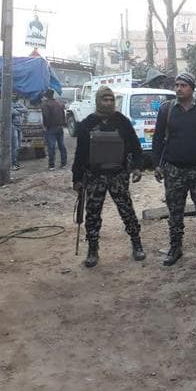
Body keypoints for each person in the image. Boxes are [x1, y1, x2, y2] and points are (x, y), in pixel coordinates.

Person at [152, 72, 196, 266]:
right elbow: (157, 138)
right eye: (177, 85)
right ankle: (175, 248)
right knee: (175, 212)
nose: (178, 88)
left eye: (183, 85)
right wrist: (157, 164)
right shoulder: (166, 109)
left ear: (192, 88)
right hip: (173, 170)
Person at [72, 86, 145, 268]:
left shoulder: (122, 121)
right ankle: (92, 249)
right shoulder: (87, 124)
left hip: (118, 175)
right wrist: (77, 179)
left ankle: (136, 243)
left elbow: (136, 147)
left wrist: (137, 167)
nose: (109, 103)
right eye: (105, 99)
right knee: (92, 214)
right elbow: (80, 154)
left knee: (127, 211)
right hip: (94, 177)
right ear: (98, 101)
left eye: (111, 99)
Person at [41, 89, 67, 170]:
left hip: (51, 128)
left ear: (46, 96)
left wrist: (45, 126)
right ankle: (63, 164)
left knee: (51, 147)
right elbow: (63, 114)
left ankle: (52, 165)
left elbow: (46, 116)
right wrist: (63, 124)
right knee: (62, 146)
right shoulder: (59, 103)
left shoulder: (46, 104)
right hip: (60, 127)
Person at [11, 94, 28, 170]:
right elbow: (13, 112)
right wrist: (19, 110)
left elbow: (26, 110)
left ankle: (16, 162)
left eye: (15, 95)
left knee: (18, 147)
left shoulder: (18, 103)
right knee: (14, 146)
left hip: (19, 127)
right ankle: (13, 164)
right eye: (13, 95)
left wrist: (16, 109)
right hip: (13, 127)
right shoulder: (9, 103)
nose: (14, 96)